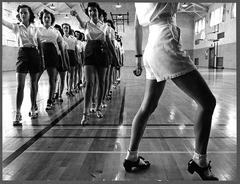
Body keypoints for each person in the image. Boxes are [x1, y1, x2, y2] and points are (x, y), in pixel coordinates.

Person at [123, 2, 218, 181]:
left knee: (148, 106)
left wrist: (138, 57)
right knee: (208, 102)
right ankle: (200, 161)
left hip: (151, 46)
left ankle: (131, 156)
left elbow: (137, 25)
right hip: (166, 41)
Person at [70, 2, 118, 125]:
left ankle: (97, 108)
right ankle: (85, 113)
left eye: (94, 10)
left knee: (101, 82)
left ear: (98, 12)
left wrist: (115, 57)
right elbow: (81, 23)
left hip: (102, 53)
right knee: (89, 83)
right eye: (90, 11)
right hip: (89, 52)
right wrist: (76, 15)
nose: (92, 12)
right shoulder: (86, 24)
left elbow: (109, 42)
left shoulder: (105, 26)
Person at [2, 4, 43, 126]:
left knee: (34, 84)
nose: (23, 14)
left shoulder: (36, 28)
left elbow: (39, 44)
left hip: (34, 53)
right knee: (21, 85)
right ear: (19, 15)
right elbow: (4, 23)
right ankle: (18, 113)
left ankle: (33, 108)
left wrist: (42, 59)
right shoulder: (16, 27)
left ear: (29, 14)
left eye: (25, 12)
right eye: (21, 13)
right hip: (22, 53)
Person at [36, 9, 66, 110]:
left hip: (53, 55)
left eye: (49, 17)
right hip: (41, 54)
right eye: (45, 17)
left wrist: (64, 61)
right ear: (42, 19)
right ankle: (33, 102)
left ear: (51, 19)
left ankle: (50, 100)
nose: (47, 19)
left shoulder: (56, 31)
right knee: (35, 79)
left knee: (52, 79)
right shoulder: (38, 30)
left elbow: (61, 48)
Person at [62, 23, 78, 97]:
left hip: (72, 55)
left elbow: (76, 49)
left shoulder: (74, 38)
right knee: (63, 74)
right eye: (64, 28)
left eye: (67, 28)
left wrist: (77, 58)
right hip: (64, 55)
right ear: (62, 29)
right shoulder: (61, 38)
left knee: (71, 74)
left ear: (69, 29)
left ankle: (69, 89)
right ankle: (59, 92)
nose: (65, 29)